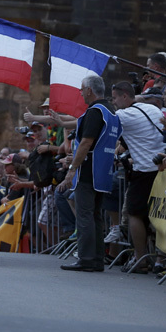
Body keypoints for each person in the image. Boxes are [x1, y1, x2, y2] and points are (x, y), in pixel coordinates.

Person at [58, 76, 122, 272]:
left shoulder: (95, 112)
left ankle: (86, 259)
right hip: (103, 170)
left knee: (84, 215)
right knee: (95, 215)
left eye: (81, 89)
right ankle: (96, 259)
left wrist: (72, 169)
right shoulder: (112, 112)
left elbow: (86, 143)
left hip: (89, 170)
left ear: (89, 90)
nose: (80, 93)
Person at [111, 81, 166, 272]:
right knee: (160, 214)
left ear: (125, 96)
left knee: (135, 213)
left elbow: (98, 125)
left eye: (115, 98)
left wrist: (60, 122)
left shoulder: (123, 115)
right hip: (164, 166)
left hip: (144, 169)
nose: (114, 103)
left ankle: (140, 257)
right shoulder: (151, 109)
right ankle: (160, 258)